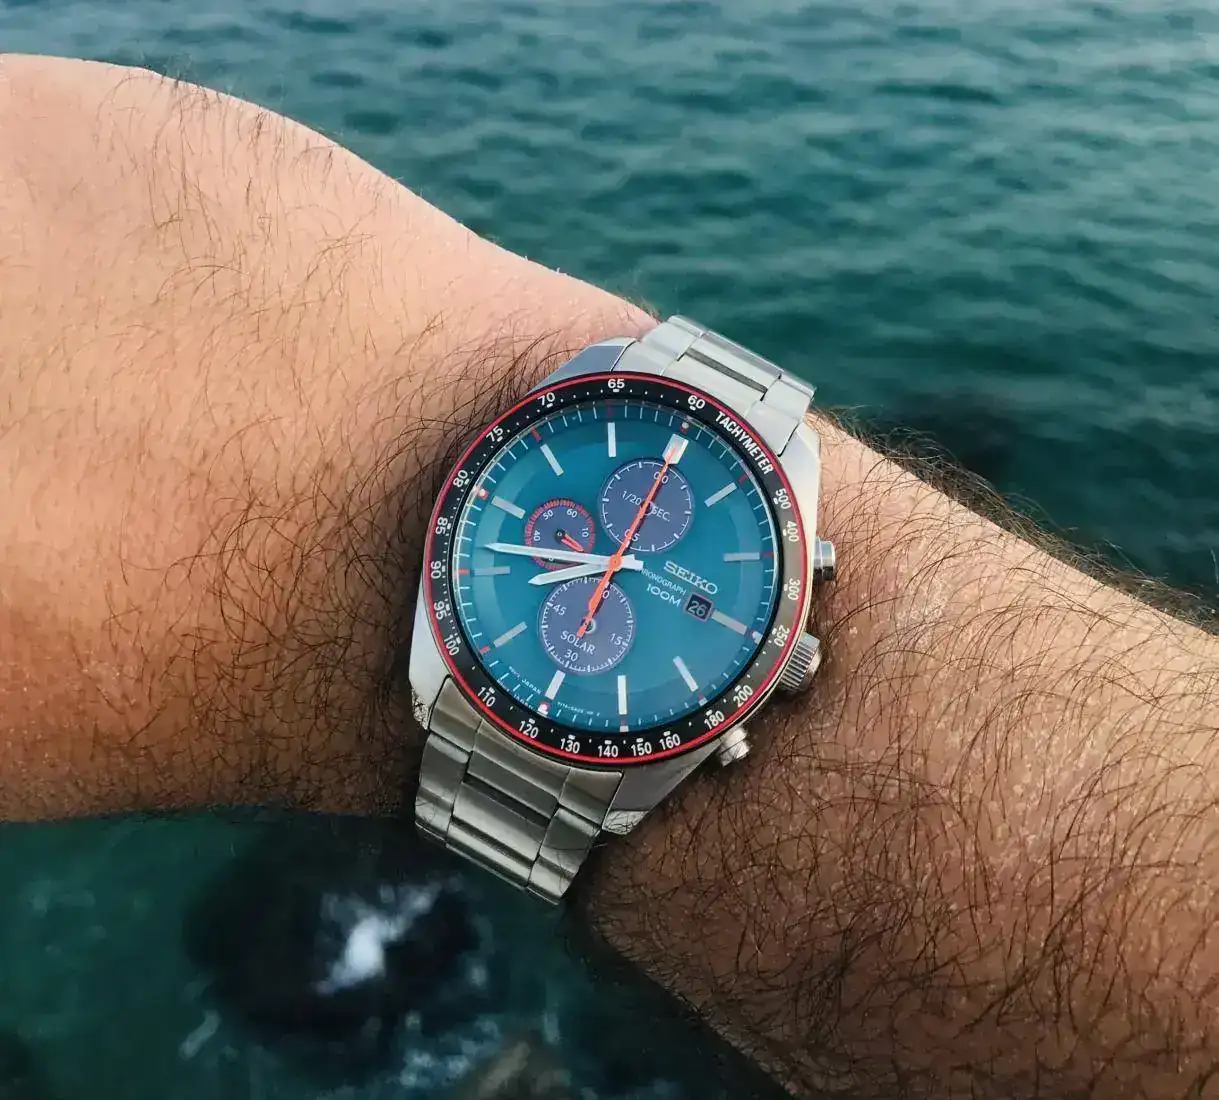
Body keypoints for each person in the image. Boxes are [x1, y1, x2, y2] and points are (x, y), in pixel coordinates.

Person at [1, 54, 1216, 1100]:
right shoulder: (565, 542)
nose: (623, 559)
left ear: (789, 644)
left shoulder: (745, 650)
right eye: (612, 552)